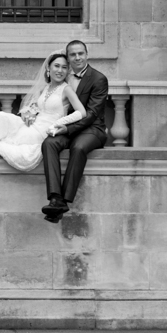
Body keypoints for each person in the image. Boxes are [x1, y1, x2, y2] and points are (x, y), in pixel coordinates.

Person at [39, 40, 109, 223]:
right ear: (68, 58)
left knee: (78, 148)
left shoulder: (98, 79)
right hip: (67, 126)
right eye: (73, 54)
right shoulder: (64, 76)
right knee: (49, 143)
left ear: (87, 55)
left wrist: (68, 129)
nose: (77, 57)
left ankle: (64, 200)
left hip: (92, 129)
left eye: (81, 53)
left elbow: (93, 113)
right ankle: (55, 198)